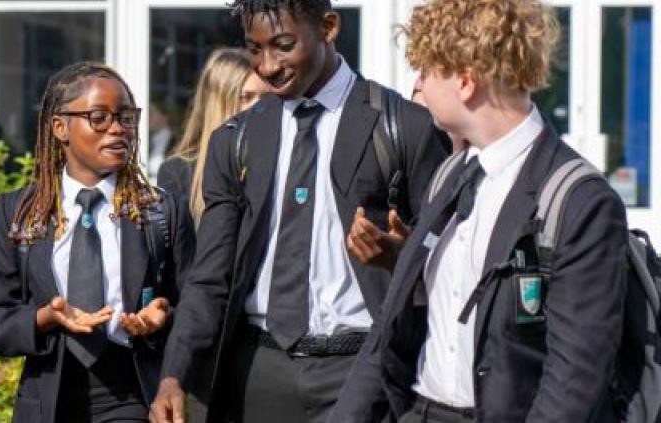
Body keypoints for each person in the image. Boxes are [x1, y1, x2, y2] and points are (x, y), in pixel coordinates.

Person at [330, 1, 630, 421]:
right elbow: (393, 327)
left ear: (466, 83)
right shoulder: (450, 175)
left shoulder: (581, 201)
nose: (418, 84)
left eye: (427, 71)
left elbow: (575, 379)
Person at [150, 1, 448, 422]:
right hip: (257, 371)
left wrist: (402, 258)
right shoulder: (235, 139)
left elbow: (451, 264)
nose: (267, 66)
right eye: (254, 49)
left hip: (361, 372)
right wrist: (174, 375)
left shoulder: (405, 127)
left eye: (283, 46)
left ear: (328, 27)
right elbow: (209, 276)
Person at [0, 62, 195, 423]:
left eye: (126, 117)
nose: (118, 129)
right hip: (48, 400)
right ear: (60, 127)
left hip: (133, 396)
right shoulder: (19, 212)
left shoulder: (161, 211)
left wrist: (162, 318)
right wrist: (44, 317)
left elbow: (195, 313)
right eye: (99, 117)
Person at [158, 48, 268, 225]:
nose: (258, 108)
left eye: (264, 98)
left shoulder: (275, 160)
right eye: (245, 98)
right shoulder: (178, 172)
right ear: (219, 103)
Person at [148, 104, 175, 180]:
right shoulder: (149, 141)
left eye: (152, 114)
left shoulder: (174, 142)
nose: (149, 117)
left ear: (165, 118)